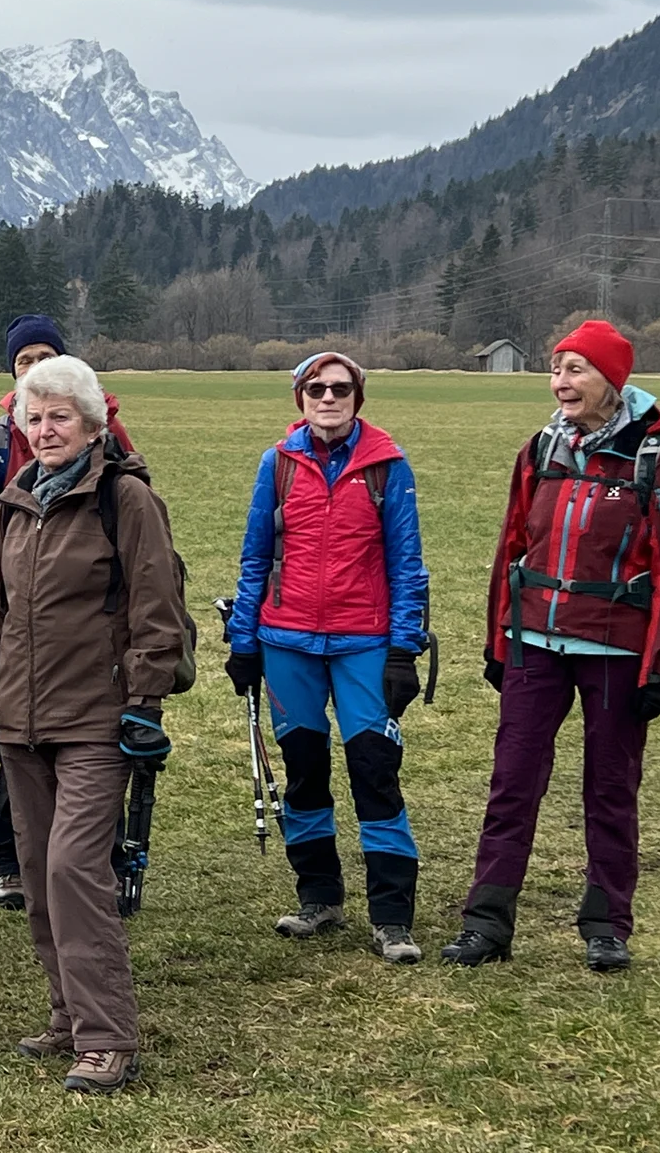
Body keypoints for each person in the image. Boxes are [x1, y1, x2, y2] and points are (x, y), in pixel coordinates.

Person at [442, 320, 660, 973]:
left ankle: (606, 925)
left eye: (576, 369)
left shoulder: (656, 455)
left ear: (610, 380)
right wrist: (498, 640)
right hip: (534, 645)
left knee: (610, 788)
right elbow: (511, 548)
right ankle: (486, 922)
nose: (561, 382)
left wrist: (657, 666)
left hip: (615, 651)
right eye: (556, 369)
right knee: (512, 783)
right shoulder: (539, 451)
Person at [0, 355, 184, 1095]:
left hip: (97, 717)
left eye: (61, 416)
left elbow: (158, 609)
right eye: (35, 416)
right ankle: (66, 1013)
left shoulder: (124, 500)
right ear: (20, 427)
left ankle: (107, 1036)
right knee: (35, 872)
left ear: (92, 425)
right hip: (22, 721)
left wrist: (144, 702)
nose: (47, 428)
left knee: (73, 868)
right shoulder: (17, 500)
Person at [224, 352, 431, 964]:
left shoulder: (387, 468)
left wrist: (403, 650)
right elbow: (255, 557)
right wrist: (243, 642)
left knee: (374, 769)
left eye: (341, 389)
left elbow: (407, 565)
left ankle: (392, 915)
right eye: (316, 388)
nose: (328, 398)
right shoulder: (278, 465)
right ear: (300, 398)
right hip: (286, 641)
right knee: (304, 770)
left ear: (357, 398)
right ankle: (319, 895)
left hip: (363, 643)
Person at [0, 313, 136, 911]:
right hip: (18, 618)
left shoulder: (117, 469)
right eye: (24, 361)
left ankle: (97, 864)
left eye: (44, 356)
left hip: (88, 659)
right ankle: (13, 862)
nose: (35, 368)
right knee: (23, 772)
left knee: (86, 783)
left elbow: (139, 563)